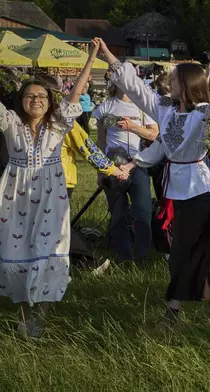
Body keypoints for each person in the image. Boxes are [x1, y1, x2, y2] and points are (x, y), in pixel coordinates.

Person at [97, 38, 210, 327]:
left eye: (176, 78)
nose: (170, 81)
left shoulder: (204, 112)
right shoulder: (166, 108)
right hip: (175, 186)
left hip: (200, 188)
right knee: (199, 249)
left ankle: (172, 312)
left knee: (182, 250)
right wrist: (109, 56)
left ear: (188, 83)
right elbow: (137, 92)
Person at [0, 38, 99, 338]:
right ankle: (22, 317)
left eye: (42, 96)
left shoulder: (58, 124)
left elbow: (77, 91)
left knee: (50, 251)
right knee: (14, 253)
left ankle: (39, 319)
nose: (36, 100)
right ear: (20, 100)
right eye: (30, 96)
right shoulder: (9, 122)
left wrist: (91, 58)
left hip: (50, 196)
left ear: (50, 101)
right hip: (14, 195)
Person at [93, 80, 159, 262]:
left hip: (138, 165)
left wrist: (133, 127)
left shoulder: (142, 106)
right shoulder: (105, 106)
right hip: (112, 165)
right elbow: (100, 141)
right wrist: (100, 171)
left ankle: (142, 257)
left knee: (143, 212)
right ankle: (122, 257)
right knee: (118, 214)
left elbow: (155, 134)